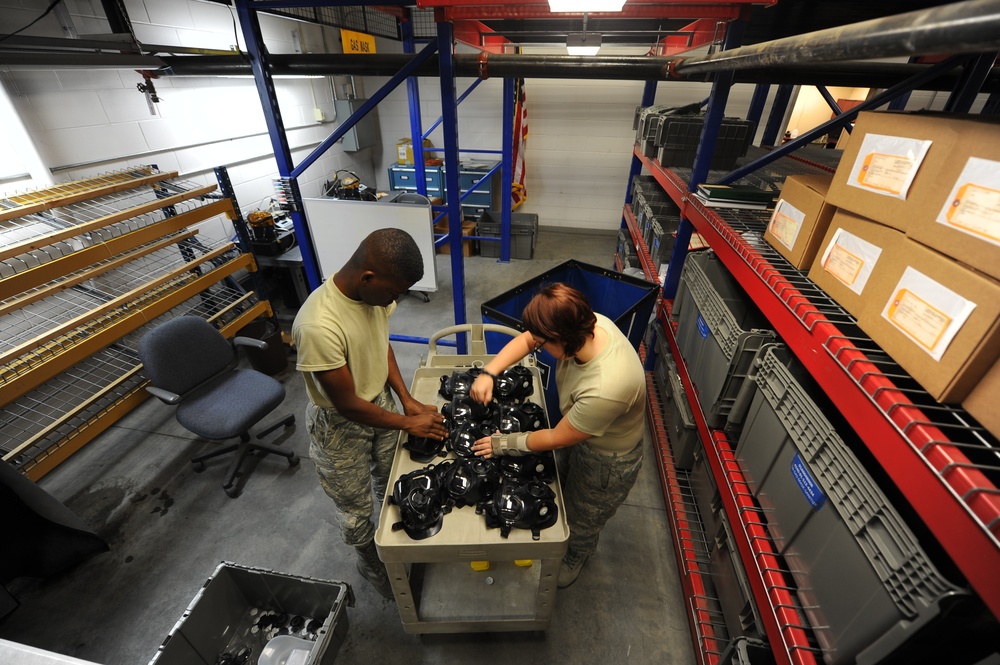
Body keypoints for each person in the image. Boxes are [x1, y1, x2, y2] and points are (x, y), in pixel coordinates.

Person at [292, 228, 449, 600]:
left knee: (390, 478)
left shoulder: (374, 296)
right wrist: (408, 422)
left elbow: (382, 346)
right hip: (339, 424)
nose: (395, 300)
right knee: (355, 507)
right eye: (394, 293)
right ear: (367, 278)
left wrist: (406, 399)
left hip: (380, 402)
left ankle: (396, 537)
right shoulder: (318, 325)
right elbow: (347, 404)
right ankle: (371, 561)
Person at [470, 283, 646, 588]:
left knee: (583, 515)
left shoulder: (608, 386)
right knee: (561, 488)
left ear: (562, 339)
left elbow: (555, 439)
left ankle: (575, 555)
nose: (536, 347)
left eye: (542, 344)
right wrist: (489, 372)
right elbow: (529, 337)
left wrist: (502, 444)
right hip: (580, 426)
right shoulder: (587, 323)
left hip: (606, 459)